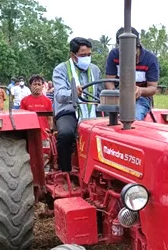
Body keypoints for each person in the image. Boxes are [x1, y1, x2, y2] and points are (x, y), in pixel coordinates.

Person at [52, 37, 103, 173]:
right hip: (68, 110)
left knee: (112, 131)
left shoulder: (95, 70)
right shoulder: (60, 70)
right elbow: (60, 95)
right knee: (66, 134)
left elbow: (99, 92)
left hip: (92, 109)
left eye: (89, 55)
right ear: (73, 55)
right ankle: (65, 171)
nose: (86, 58)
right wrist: (73, 92)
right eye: (82, 55)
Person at [105, 27, 159, 121]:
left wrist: (140, 90)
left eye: (130, 50)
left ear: (138, 44)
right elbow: (109, 81)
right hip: (118, 95)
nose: (127, 55)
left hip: (141, 98)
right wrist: (115, 94)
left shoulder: (150, 59)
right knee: (105, 117)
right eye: (123, 51)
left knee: (133, 117)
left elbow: (153, 88)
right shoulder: (114, 55)